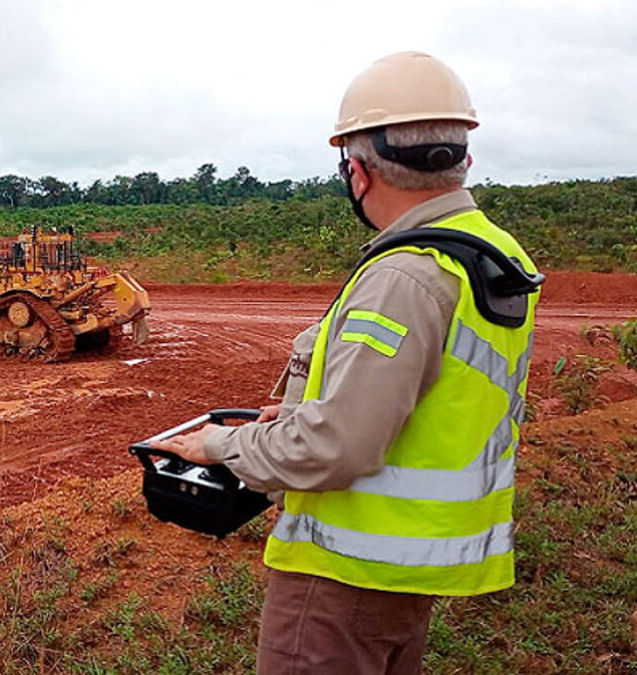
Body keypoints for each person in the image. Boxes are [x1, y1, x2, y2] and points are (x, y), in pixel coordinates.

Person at [153, 51, 540, 674]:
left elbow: (338, 448)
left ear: (357, 172)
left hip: (343, 572)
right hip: (409, 563)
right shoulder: (493, 252)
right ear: (462, 156)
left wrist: (223, 446)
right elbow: (431, 394)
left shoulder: (402, 278)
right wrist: (299, 412)